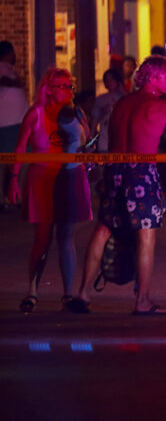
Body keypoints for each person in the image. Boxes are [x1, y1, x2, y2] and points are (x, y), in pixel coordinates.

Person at [67, 55, 166, 315]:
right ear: (153, 78)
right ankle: (142, 300)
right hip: (141, 172)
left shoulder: (121, 104)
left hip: (116, 170)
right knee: (146, 235)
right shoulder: (162, 105)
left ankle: (82, 293)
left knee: (103, 229)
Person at [8, 68, 92, 313]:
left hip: (70, 176)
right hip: (43, 178)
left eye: (70, 86)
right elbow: (21, 147)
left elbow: (86, 143)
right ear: (49, 89)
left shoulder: (77, 113)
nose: (68, 90)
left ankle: (67, 293)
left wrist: (91, 160)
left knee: (67, 237)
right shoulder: (35, 113)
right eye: (63, 85)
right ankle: (33, 291)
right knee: (42, 238)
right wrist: (14, 178)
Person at [0, 41, 29, 212]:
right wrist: (14, 83)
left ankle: (16, 196)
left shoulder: (9, 69)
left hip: (15, 123)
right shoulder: (3, 69)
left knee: (21, 160)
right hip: (8, 123)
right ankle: (13, 198)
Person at [91, 68, 126, 152]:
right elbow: (95, 120)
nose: (109, 82)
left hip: (121, 139)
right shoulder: (101, 99)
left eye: (112, 79)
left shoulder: (125, 98)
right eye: (107, 80)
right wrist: (91, 137)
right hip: (105, 138)